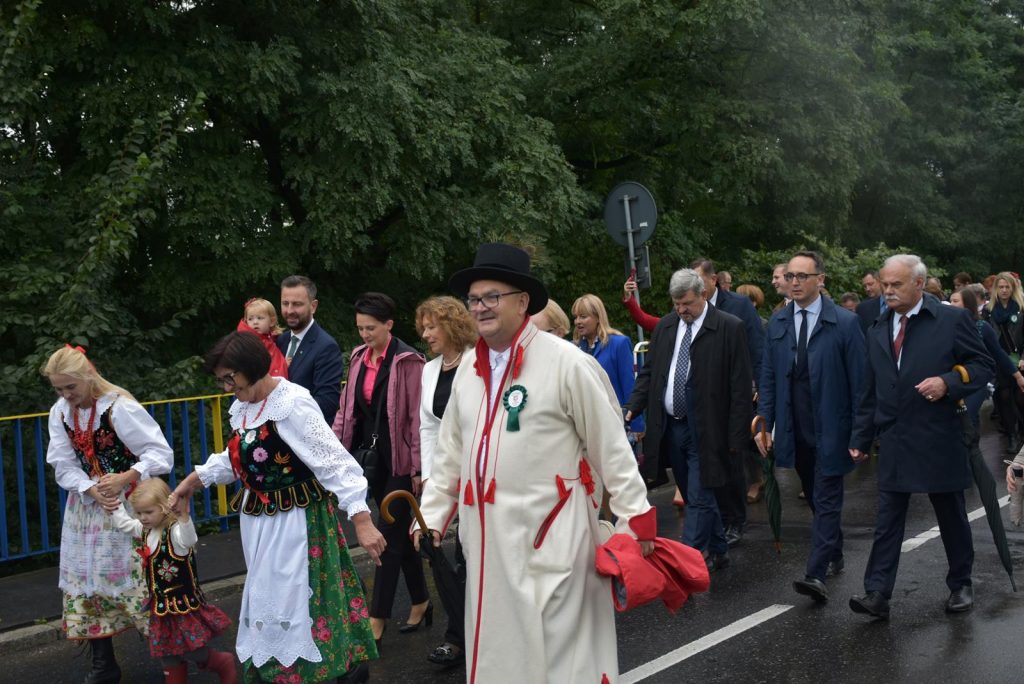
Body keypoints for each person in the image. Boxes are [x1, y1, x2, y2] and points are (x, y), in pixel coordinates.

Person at [416, 243, 656, 684]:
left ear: (523, 301)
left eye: (493, 296)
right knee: (501, 657)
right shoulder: (468, 369)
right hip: (488, 547)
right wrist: (431, 516)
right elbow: (451, 453)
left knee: (564, 662)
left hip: (556, 544)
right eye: (474, 299)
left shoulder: (567, 363)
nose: (481, 307)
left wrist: (634, 521)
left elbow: (611, 447)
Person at [170, 332, 384, 683]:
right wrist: (193, 481)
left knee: (298, 597)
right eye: (221, 380)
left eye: (230, 378)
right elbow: (237, 457)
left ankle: (320, 670)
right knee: (268, 599)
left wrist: (361, 519)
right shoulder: (244, 408)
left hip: (298, 522)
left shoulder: (293, 403)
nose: (227, 388)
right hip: (261, 525)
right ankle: (280, 668)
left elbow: (333, 461)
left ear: (251, 368)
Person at [848, 255, 994, 619]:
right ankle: (877, 592)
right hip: (895, 436)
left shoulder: (950, 319)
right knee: (888, 518)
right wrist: (860, 437)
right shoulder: (878, 327)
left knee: (950, 514)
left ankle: (960, 583)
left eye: (895, 284)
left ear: (918, 283)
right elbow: (870, 388)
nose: (888, 291)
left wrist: (947, 382)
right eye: (884, 284)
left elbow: (982, 366)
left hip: (938, 433)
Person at [44, 345, 174, 684]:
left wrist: (126, 477)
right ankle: (104, 665)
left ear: (88, 376)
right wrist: (90, 489)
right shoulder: (60, 412)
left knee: (141, 579)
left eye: (70, 386)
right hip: (86, 510)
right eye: (58, 388)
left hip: (131, 506)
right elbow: (62, 463)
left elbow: (160, 454)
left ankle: (173, 659)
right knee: (87, 582)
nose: (65, 394)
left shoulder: (119, 408)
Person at [626, 268, 753, 572]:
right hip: (672, 426)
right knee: (693, 491)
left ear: (704, 295)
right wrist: (632, 408)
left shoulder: (728, 327)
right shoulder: (667, 326)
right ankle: (719, 549)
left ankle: (686, 564)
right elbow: (650, 373)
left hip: (708, 428)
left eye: (687, 303)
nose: (682, 310)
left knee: (698, 496)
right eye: (676, 304)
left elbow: (740, 387)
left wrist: (737, 437)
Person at [756, 252, 865, 603]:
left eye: (803, 276)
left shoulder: (844, 323)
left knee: (828, 496)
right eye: (790, 276)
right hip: (794, 427)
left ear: (821, 279)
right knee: (816, 496)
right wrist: (764, 423)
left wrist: (860, 434)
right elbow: (768, 377)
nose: (795, 282)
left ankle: (815, 573)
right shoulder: (778, 322)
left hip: (832, 427)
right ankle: (834, 549)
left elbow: (861, 382)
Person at [333, 292, 429, 649]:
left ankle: (377, 616)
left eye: (371, 328)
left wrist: (418, 467)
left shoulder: (410, 361)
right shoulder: (359, 357)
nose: (364, 335)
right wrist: (334, 452)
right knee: (399, 534)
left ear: (389, 324)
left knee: (386, 534)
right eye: (360, 328)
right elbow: (347, 410)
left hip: (401, 461)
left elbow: (418, 419)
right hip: (370, 459)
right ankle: (421, 600)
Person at [110, 479, 235, 683]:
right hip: (161, 607)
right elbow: (124, 523)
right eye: (139, 513)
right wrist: (113, 503)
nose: (142, 517)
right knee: (166, 652)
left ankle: (222, 662)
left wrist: (183, 516)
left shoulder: (175, 533)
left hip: (182, 606)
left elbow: (190, 540)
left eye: (148, 512)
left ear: (164, 508)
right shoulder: (145, 530)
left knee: (192, 649)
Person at [415, 295, 477, 669]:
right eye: (423, 327)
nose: (425, 334)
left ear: (452, 325)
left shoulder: (477, 362)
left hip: (479, 474)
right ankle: (458, 636)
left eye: (431, 326)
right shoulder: (429, 370)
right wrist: (429, 477)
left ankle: (473, 635)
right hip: (444, 474)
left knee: (468, 556)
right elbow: (428, 427)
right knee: (434, 549)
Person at [690, 258, 763, 547]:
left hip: (734, 394)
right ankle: (718, 519)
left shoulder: (739, 306)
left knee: (733, 458)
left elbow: (756, 346)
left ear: (713, 281)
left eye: (698, 279)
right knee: (708, 462)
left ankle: (735, 520)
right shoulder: (689, 308)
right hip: (703, 396)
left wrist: (760, 387)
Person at [950, 287, 1024, 427]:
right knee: (963, 423)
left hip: (977, 380)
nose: (951, 304)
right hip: (953, 380)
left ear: (967, 303)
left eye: (955, 301)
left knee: (967, 417)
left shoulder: (982, 326)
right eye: (951, 301)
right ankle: (973, 441)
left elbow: (999, 354)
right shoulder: (946, 326)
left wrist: (1018, 377)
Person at [573, 293, 644, 436]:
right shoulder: (573, 348)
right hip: (585, 427)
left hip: (615, 425)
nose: (578, 321)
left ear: (598, 317)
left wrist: (636, 426)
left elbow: (629, 386)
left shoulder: (619, 343)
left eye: (583, 316)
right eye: (576, 317)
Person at [275, 275, 344, 424]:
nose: (289, 310)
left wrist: (279, 411)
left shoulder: (326, 347)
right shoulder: (279, 341)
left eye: (297, 304)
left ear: (313, 306)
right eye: (285, 303)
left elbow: (327, 403)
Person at [983, 272, 1024, 453]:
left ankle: (1021, 429)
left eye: (1007, 287)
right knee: (1004, 397)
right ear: (995, 289)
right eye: (1001, 287)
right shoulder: (988, 310)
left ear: (1013, 288)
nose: (1004, 290)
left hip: (1019, 359)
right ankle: (1012, 435)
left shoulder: (1021, 308)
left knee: (1020, 398)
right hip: (998, 359)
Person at [236, 297, 288, 379]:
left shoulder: (270, 339)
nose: (255, 322)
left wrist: (283, 364)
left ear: (272, 321)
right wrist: (283, 365)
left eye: (259, 318)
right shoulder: (250, 343)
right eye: (250, 319)